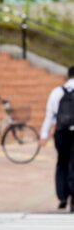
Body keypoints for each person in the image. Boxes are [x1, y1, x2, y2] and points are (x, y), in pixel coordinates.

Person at [40, 66, 74, 210]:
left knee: (62, 162)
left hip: (61, 132)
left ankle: (62, 196)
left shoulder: (57, 92)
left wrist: (44, 135)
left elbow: (50, 114)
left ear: (68, 75)